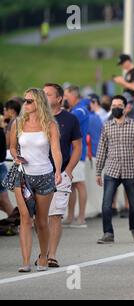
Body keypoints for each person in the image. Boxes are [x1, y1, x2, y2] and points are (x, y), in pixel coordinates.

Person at [10, 88, 62, 272]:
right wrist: (16, 156)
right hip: (23, 175)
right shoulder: (17, 123)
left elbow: (55, 150)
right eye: (25, 100)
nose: (26, 104)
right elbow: (13, 147)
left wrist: (58, 171)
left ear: (39, 102)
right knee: (25, 218)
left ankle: (43, 256)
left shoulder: (50, 125)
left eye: (30, 101)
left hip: (45, 174)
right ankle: (25, 261)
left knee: (41, 220)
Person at [95, 95, 134, 244]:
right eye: (113, 105)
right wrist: (98, 171)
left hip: (131, 170)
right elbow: (101, 149)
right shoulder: (107, 125)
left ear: (125, 108)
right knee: (106, 203)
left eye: (119, 105)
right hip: (111, 170)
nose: (115, 108)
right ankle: (108, 233)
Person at [43, 83, 82, 267]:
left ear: (59, 98)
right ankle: (43, 251)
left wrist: (68, 170)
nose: (44, 97)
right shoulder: (34, 118)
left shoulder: (70, 119)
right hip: (37, 172)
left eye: (48, 94)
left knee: (55, 215)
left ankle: (52, 254)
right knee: (39, 217)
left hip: (60, 173)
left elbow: (77, 147)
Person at [63, 85, 89, 228]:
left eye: (67, 95)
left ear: (74, 95)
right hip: (71, 151)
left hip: (77, 152)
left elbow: (68, 122)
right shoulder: (76, 110)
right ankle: (71, 216)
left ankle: (81, 217)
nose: (65, 98)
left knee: (79, 184)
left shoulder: (79, 110)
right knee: (72, 185)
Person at [0, 128, 14, 219]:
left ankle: (20, 221)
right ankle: (18, 220)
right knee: (4, 201)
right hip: (1, 167)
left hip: (0, 168)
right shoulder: (1, 131)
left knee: (4, 200)